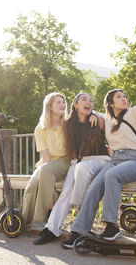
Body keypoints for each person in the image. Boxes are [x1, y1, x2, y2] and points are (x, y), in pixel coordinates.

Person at [62, 63, 136, 248]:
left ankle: (111, 225)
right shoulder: (106, 119)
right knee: (94, 187)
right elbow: (88, 112)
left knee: (111, 175)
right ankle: (78, 231)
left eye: (124, 96)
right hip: (115, 160)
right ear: (110, 103)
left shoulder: (135, 114)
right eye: (119, 97)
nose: (123, 99)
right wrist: (93, 113)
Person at [33, 93, 110, 245]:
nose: (88, 102)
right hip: (78, 163)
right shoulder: (68, 125)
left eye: (90, 101)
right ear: (75, 105)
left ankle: (79, 219)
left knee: (80, 169)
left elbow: (109, 117)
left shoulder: (98, 120)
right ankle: (51, 229)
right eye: (84, 100)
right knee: (66, 192)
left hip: (100, 161)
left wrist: (95, 113)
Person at [22, 92, 71, 225]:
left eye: (63, 102)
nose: (63, 104)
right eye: (58, 102)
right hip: (47, 164)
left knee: (45, 171)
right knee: (31, 186)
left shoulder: (68, 125)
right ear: (50, 107)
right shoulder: (40, 128)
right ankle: (25, 222)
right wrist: (49, 191)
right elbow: (46, 157)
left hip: (65, 162)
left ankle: (39, 221)